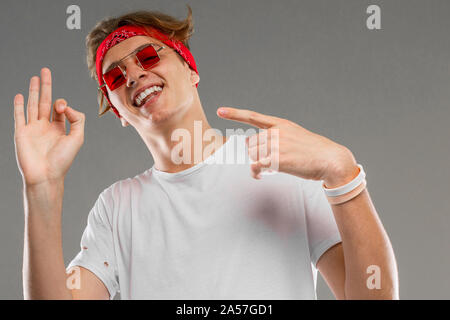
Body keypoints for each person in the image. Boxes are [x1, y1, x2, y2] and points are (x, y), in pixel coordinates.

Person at [14, 6, 398, 300]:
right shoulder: (116, 208)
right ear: (119, 113)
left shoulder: (281, 163)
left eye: (148, 57)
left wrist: (344, 173)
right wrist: (42, 189)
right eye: (115, 77)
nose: (133, 75)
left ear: (190, 68)